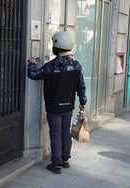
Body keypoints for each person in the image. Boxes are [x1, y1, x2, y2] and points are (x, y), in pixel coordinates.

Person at [27, 31, 87, 174]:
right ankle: (65, 159)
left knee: (55, 133)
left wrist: (31, 63)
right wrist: (83, 101)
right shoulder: (76, 65)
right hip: (68, 106)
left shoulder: (49, 67)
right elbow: (81, 85)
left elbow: (33, 74)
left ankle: (56, 164)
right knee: (65, 131)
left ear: (56, 47)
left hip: (54, 107)